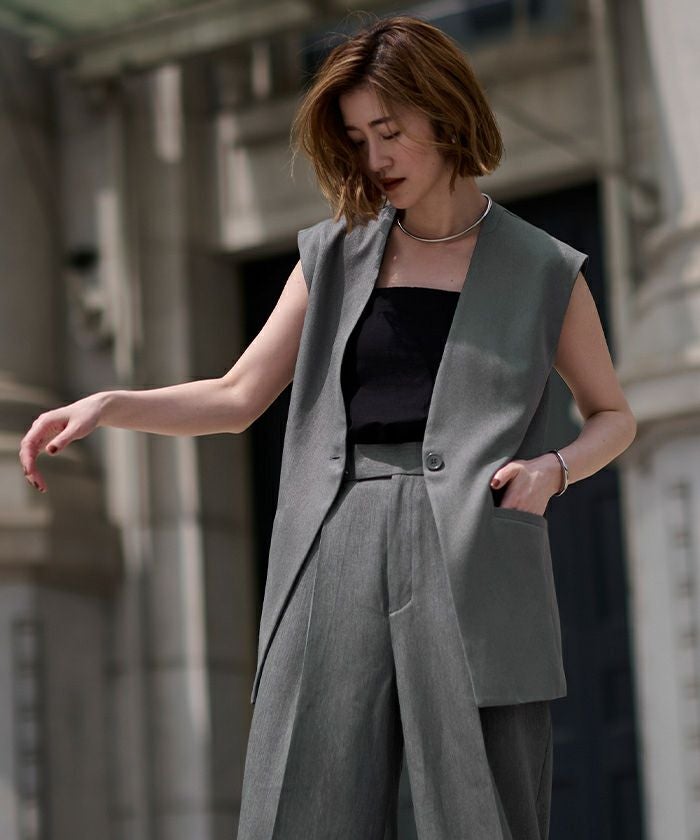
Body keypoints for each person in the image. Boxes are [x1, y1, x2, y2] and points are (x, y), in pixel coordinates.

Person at [19, 14, 637, 840]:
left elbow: (613, 416)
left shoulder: (544, 269)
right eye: (357, 137)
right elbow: (237, 395)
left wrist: (553, 470)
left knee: (483, 808)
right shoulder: (335, 254)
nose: (375, 157)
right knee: (305, 797)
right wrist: (111, 404)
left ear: (445, 113)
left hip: (478, 543)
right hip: (335, 532)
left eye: (390, 130)